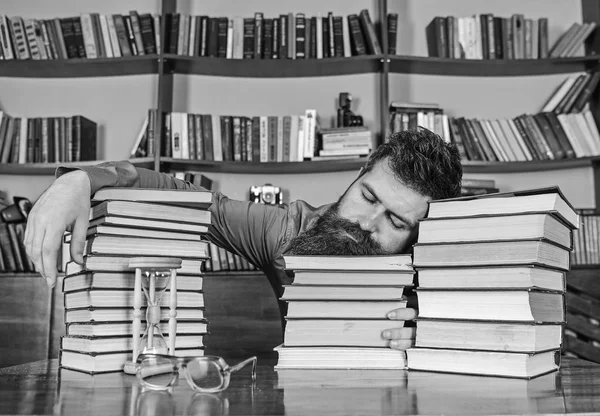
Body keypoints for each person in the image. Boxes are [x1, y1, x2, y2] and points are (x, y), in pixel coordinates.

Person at [24, 128, 463, 351]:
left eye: (397, 222)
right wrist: (81, 181)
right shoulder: (282, 230)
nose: (369, 223)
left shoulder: (453, 258)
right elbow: (184, 198)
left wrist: (442, 334)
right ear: (357, 176)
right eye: (368, 197)